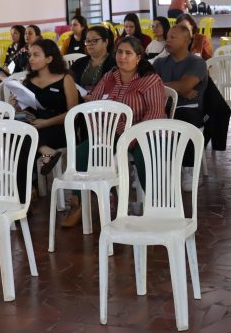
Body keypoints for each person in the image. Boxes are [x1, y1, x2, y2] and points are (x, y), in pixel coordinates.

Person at [59, 36, 166, 228]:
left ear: (138, 57)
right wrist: (100, 130)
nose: (122, 57)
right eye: (119, 52)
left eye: (128, 53)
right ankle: (81, 203)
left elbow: (155, 113)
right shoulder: (110, 76)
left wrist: (129, 139)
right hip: (112, 134)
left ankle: (157, 205)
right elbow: (95, 104)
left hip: (144, 133)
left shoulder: (149, 80)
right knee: (81, 153)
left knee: (146, 159)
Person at [10, 39, 79, 179]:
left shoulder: (65, 79)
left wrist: (47, 122)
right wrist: (15, 105)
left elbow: (74, 114)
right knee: (14, 132)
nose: (31, 59)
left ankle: (27, 190)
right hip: (35, 124)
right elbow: (24, 108)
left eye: (36, 55)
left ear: (49, 58)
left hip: (59, 127)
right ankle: (45, 151)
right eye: (30, 55)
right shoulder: (28, 81)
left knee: (23, 139)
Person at [154, 24, 208, 129]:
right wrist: (179, 91)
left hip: (187, 109)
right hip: (163, 108)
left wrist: (159, 87)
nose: (168, 40)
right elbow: (148, 87)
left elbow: (184, 86)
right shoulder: (159, 62)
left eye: (172, 37)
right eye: (167, 37)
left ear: (186, 41)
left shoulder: (197, 62)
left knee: (181, 124)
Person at [71, 25, 114, 92]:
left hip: (104, 101)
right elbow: (70, 83)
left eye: (94, 40)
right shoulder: (79, 63)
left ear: (105, 42)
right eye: (88, 41)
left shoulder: (114, 64)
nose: (90, 44)